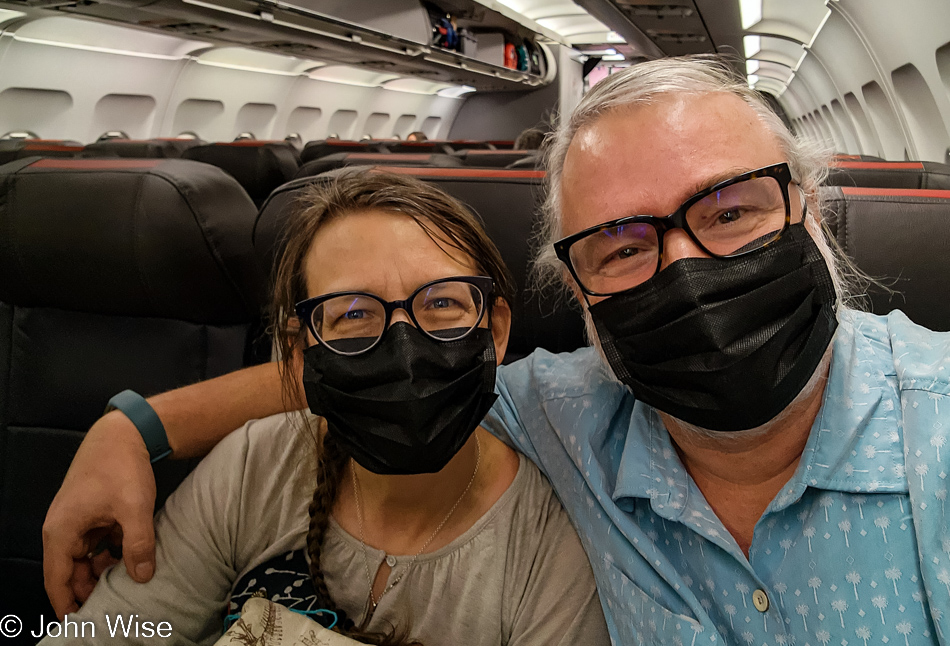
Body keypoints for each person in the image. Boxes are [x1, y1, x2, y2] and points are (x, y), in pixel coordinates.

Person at [44, 56, 950, 645]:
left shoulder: (937, 435)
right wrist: (136, 428)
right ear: (582, 295)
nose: (686, 270)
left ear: (813, 212)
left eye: (731, 213)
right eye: (625, 247)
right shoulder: (566, 409)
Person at [39, 171, 608, 645]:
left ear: (497, 329)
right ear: (301, 350)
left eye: (442, 302)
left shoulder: (548, 544)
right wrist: (128, 430)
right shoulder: (253, 467)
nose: (404, 346)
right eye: (353, 313)